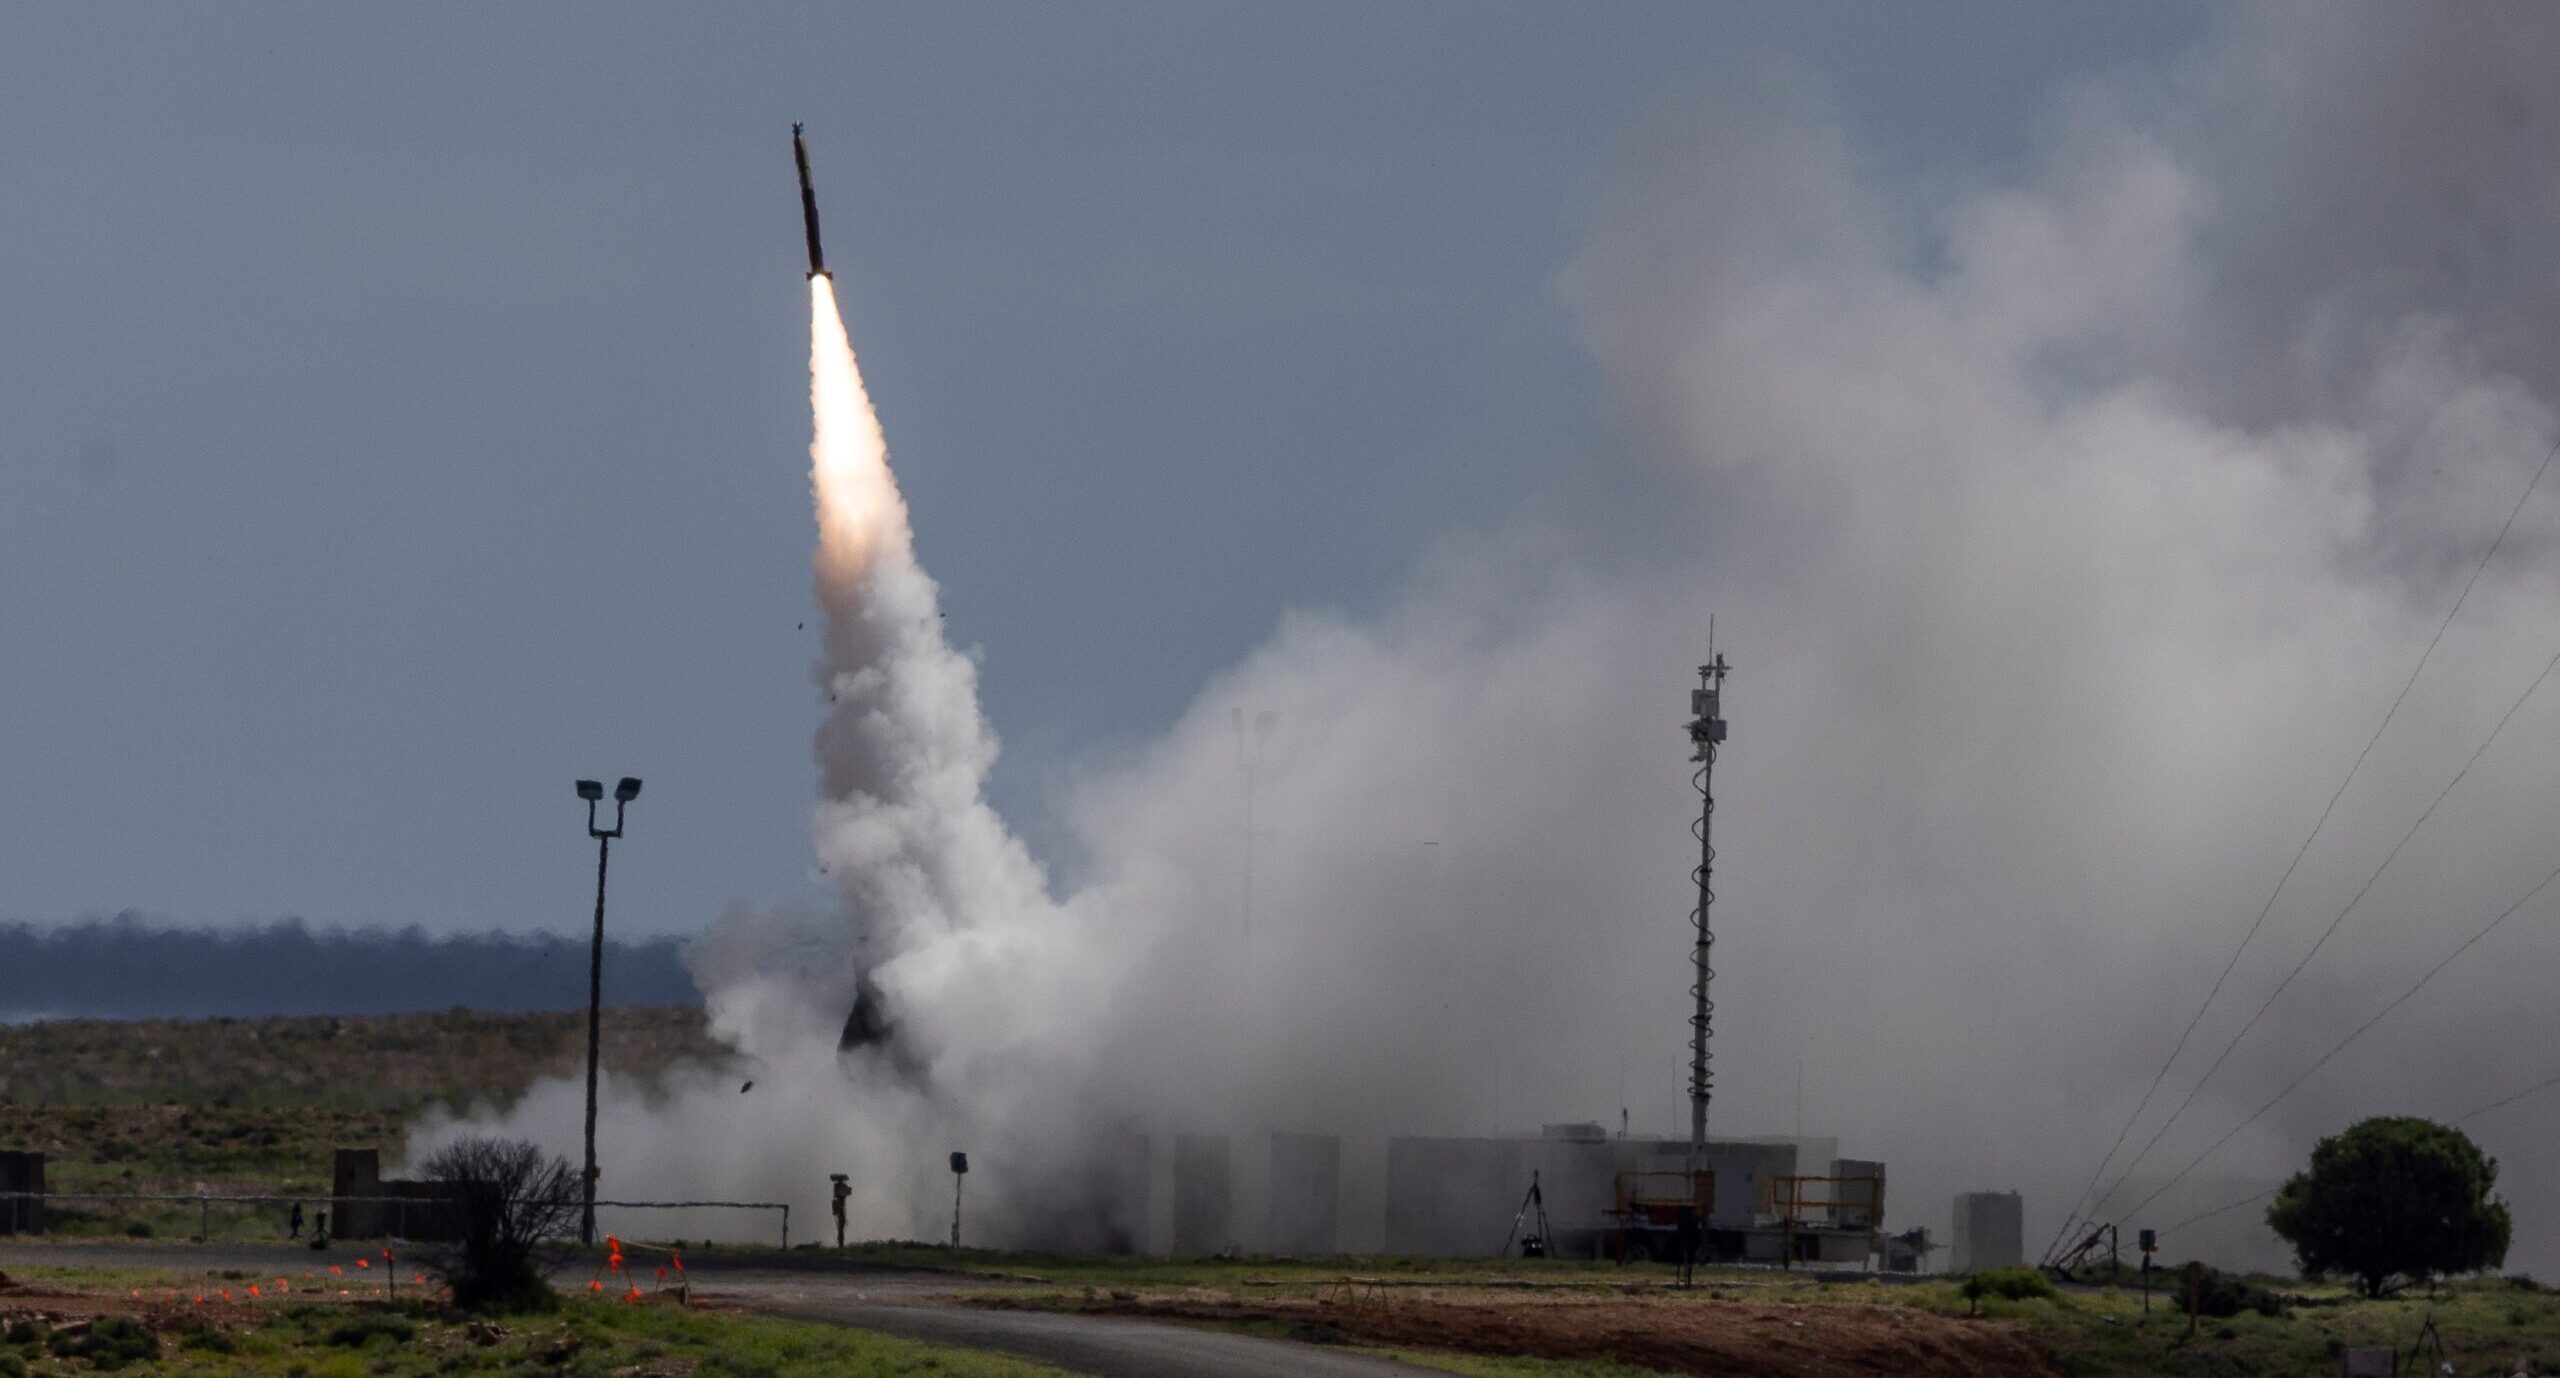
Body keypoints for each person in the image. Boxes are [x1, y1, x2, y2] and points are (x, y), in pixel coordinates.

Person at [830, 1174, 851, 1249]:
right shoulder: (838, 1186)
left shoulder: (840, 1186)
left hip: (841, 1205)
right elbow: (838, 1194)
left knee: (841, 1224)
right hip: (839, 1206)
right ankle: (840, 1244)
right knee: (841, 1224)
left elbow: (846, 1193)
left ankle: (841, 1243)